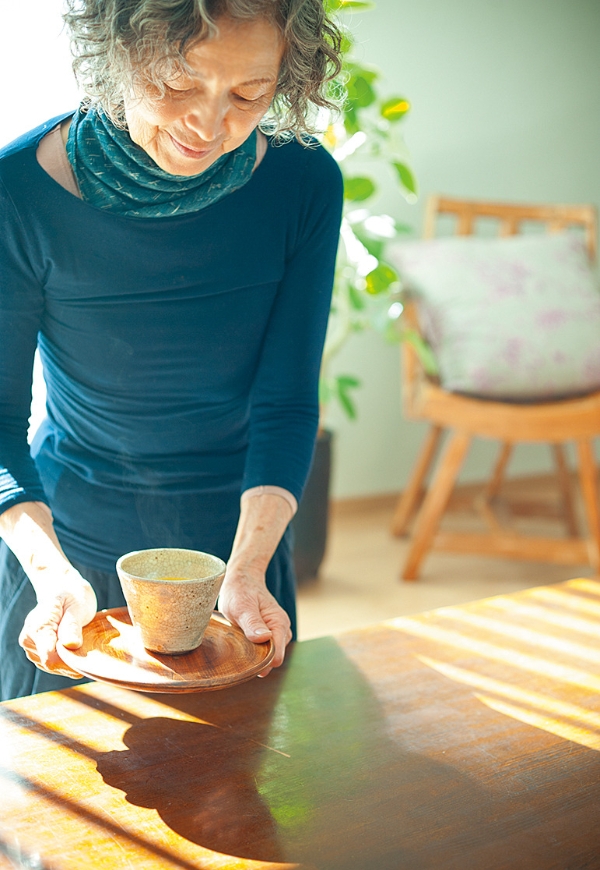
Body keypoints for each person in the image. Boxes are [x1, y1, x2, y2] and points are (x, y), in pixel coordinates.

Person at [0, 0, 343, 700]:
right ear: (117, 59)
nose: (210, 125)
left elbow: (285, 404)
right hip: (69, 557)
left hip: (242, 561)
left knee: (244, 799)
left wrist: (246, 572)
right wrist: (50, 571)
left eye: (249, 94)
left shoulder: (303, 185)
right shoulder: (18, 195)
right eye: (179, 86)